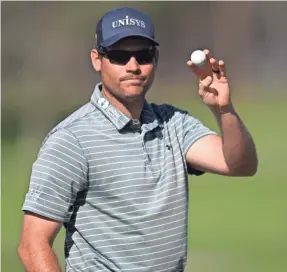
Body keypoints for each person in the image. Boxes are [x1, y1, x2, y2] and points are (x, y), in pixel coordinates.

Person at [18, 6, 258, 272]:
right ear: (97, 59)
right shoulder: (71, 139)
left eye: (143, 55)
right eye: (120, 56)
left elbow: (240, 165)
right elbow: (32, 244)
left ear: (155, 59)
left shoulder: (172, 122)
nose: (133, 67)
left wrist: (223, 109)